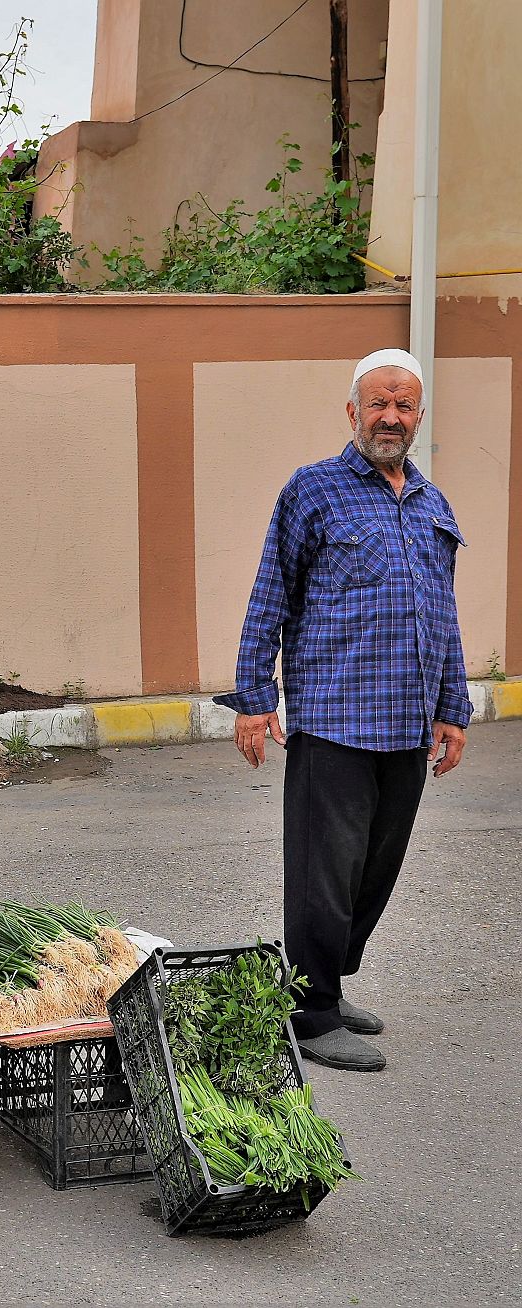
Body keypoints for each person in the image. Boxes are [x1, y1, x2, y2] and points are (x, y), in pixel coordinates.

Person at [214, 348, 470, 1072]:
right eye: (378, 403)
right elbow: (271, 594)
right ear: (353, 411)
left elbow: (443, 616)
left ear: (418, 416)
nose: (391, 417)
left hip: (407, 725)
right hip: (335, 721)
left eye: (404, 405)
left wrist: (452, 708)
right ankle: (311, 1012)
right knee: (324, 874)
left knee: (374, 871)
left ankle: (323, 982)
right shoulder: (313, 491)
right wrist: (254, 699)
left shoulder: (432, 505)